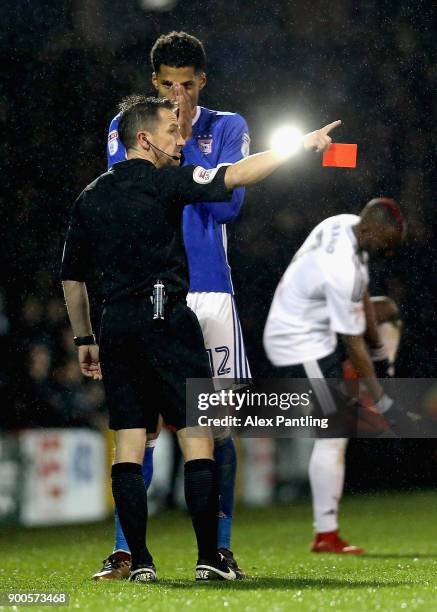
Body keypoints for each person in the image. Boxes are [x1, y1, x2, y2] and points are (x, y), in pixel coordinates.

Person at [61, 94, 340, 581]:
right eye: (172, 131)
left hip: (115, 327)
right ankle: (211, 558)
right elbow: (238, 175)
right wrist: (301, 145)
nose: (181, 139)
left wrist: (85, 336)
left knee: (129, 442)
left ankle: (140, 562)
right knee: (198, 439)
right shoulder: (168, 181)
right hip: (167, 319)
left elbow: (71, 277)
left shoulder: (89, 196)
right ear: (145, 139)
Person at [98, 31, 251, 580]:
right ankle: (127, 552)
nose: (178, 94)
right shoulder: (128, 127)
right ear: (153, 83)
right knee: (140, 429)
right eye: (167, 85)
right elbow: (130, 190)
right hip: (145, 292)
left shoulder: (228, 126)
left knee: (215, 427)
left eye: (187, 85)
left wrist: (188, 141)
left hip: (208, 290)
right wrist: (179, 139)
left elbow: (230, 205)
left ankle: (220, 548)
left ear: (202, 82)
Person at [263, 198, 406, 554]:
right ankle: (325, 534)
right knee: (335, 433)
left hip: (317, 324)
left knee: (387, 310)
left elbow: (364, 312)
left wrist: (380, 362)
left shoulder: (345, 224)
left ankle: (374, 385)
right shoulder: (342, 267)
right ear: (371, 230)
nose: (388, 252)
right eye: (386, 244)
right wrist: (384, 399)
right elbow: (353, 342)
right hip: (299, 340)